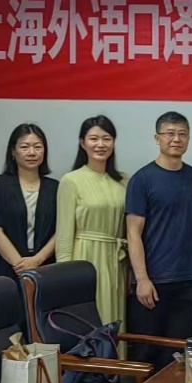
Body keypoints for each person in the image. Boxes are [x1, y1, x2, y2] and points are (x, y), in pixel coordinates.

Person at [126, 111, 192, 365]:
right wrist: (142, 279)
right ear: (157, 138)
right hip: (154, 281)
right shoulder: (142, 179)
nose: (176, 139)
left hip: (189, 279)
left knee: (177, 355)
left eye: (182, 134)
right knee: (147, 353)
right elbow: (133, 232)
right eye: (170, 133)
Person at [56, 115, 128, 356]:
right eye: (94, 139)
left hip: (116, 261)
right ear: (82, 143)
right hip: (85, 258)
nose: (100, 144)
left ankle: (117, 374)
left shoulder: (123, 181)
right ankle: (92, 375)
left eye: (106, 139)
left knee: (116, 322)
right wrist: (65, 277)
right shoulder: (71, 181)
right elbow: (64, 233)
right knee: (90, 323)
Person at [0, 123, 59, 280]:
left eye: (37, 147)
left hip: (45, 267)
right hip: (7, 268)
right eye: (25, 147)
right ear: (13, 151)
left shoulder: (55, 188)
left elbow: (61, 231)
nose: (32, 152)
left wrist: (37, 260)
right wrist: (20, 265)